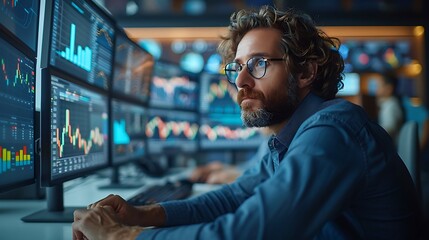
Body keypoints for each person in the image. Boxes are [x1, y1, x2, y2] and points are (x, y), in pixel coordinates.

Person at [72, 6, 421, 239]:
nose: (240, 82)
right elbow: (233, 198)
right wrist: (141, 214)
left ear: (305, 71)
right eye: (237, 68)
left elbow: (248, 232)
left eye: (258, 64)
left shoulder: (333, 131)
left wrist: (119, 236)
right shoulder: (290, 138)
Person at [189, 128, 272, 184]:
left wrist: (231, 177)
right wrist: (221, 167)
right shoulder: (267, 142)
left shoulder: (277, 144)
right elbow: (251, 168)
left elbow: (268, 180)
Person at [375, 71, 405, 143]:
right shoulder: (387, 104)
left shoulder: (391, 106)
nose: (376, 89)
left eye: (378, 86)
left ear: (389, 89)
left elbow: (387, 132)